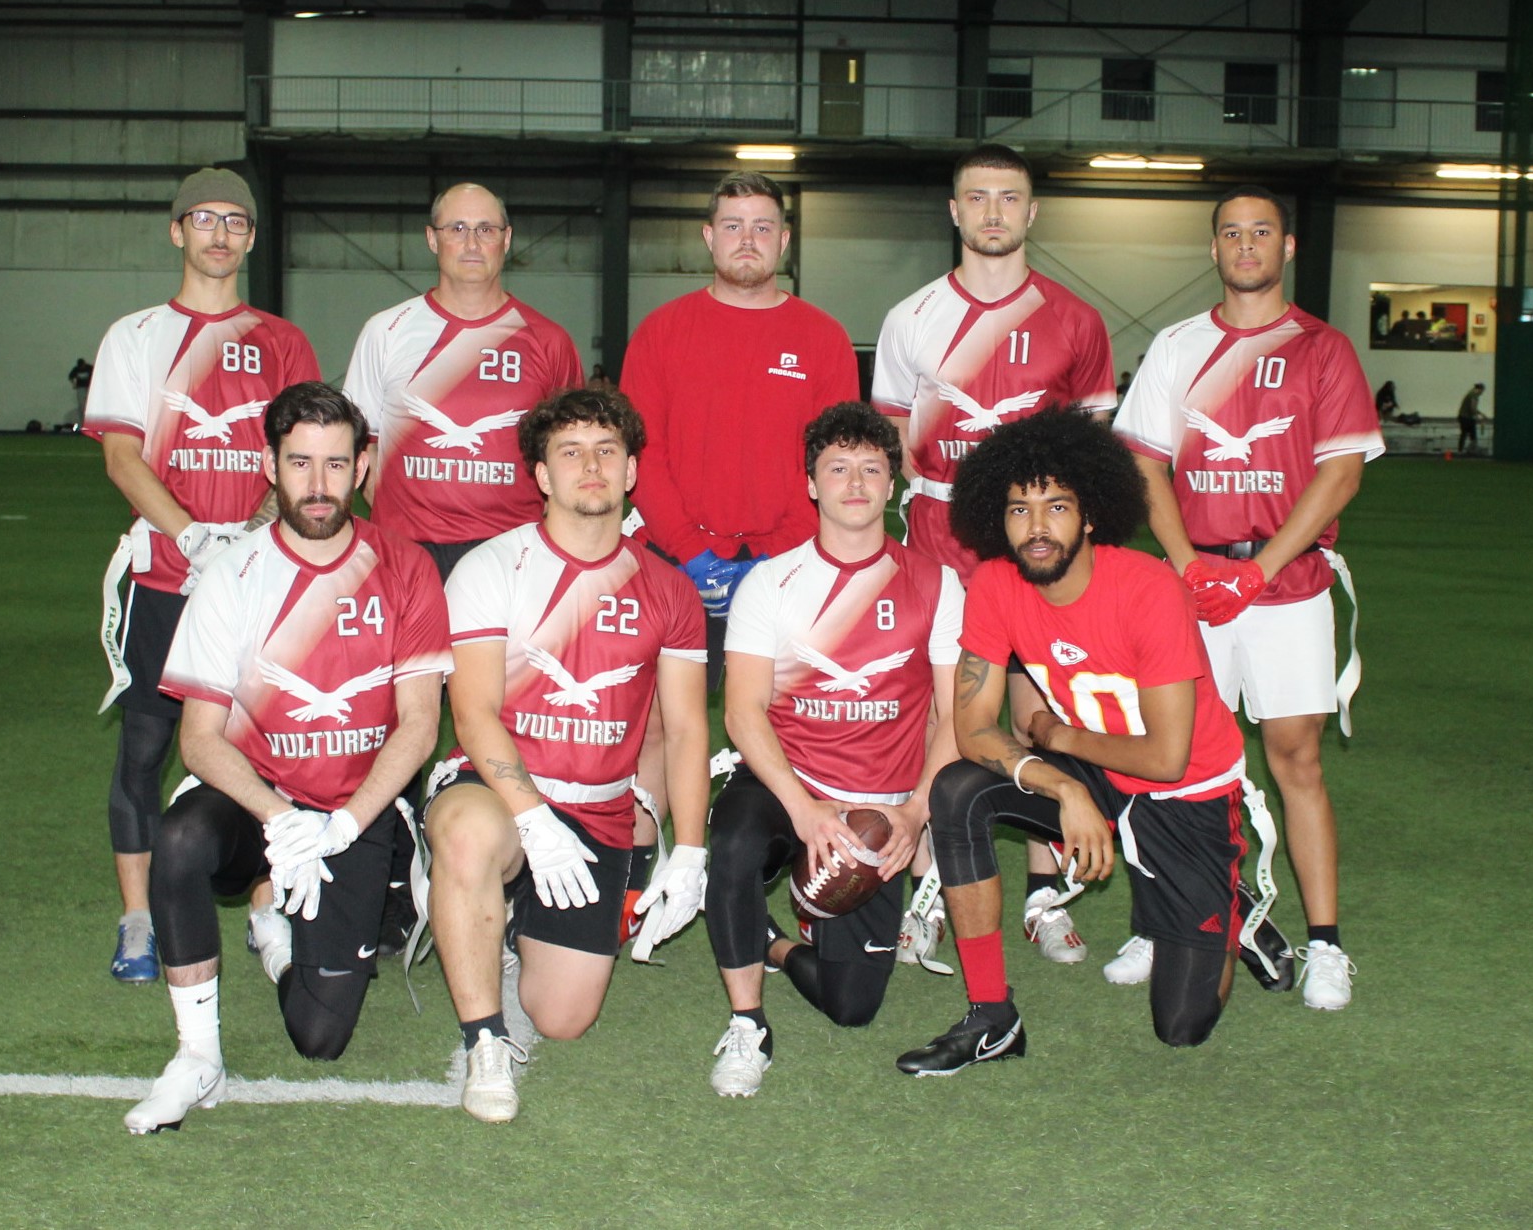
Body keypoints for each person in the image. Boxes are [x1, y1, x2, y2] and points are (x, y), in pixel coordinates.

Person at [123, 382, 450, 1134]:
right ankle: (197, 1057)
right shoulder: (232, 574)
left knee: (319, 1036)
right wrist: (280, 821)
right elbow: (199, 739)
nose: (318, 483)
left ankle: (276, 935)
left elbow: (419, 725)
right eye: (300, 462)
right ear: (270, 465)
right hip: (256, 803)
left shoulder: (406, 568)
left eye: (336, 464)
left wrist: (342, 825)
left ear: (362, 467)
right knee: (181, 839)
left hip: (352, 808)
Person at [896, 409, 1259, 1075]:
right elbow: (972, 728)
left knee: (1183, 1025)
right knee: (958, 791)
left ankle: (1231, 903)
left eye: (1057, 506)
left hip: (1186, 793)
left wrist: (1059, 737)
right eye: (1019, 510)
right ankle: (991, 1017)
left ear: (1090, 514)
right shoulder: (997, 584)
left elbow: (1166, 758)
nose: (1037, 528)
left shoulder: (1148, 588)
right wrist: (1062, 786)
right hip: (1092, 773)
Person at [1114, 185, 1383, 1010]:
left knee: (1295, 758)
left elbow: (1341, 473)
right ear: (1214, 248)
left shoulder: (1323, 348)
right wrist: (1188, 563)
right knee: (1175, 762)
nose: (1246, 245)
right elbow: (1145, 463)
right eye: (1231, 233)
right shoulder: (1178, 344)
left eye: (1261, 231)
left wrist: (1258, 569)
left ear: (1287, 247)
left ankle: (1326, 943)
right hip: (1193, 590)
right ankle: (1162, 923)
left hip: (1286, 586)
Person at [423, 387, 709, 1123]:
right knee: (470, 835)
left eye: (607, 451)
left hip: (599, 809)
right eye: (571, 452)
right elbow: (473, 711)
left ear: (631, 470)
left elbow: (684, 729)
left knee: (562, 1017)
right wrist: (532, 820)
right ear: (542, 475)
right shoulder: (493, 567)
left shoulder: (669, 588)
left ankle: (506, 915)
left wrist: (689, 851)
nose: (591, 466)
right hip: (498, 789)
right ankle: (485, 1041)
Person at [871, 142, 1118, 968]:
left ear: (1032, 211)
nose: (992, 212)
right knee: (942, 715)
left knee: (1041, 711)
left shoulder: (1075, 319)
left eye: (1008, 198)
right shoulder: (910, 318)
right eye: (977, 197)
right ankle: (931, 889)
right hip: (940, 533)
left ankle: (1046, 892)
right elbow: (894, 441)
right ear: (954, 210)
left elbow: (1092, 450)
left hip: (1035, 540)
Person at [84, 167, 322, 984]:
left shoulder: (283, 341)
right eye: (204, 219)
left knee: (264, 747)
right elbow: (123, 457)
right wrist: (191, 536)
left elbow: (300, 455)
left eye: (235, 222)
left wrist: (247, 537)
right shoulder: (136, 336)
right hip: (163, 579)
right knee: (146, 749)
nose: (220, 234)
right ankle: (139, 919)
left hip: (258, 587)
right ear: (176, 230)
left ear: (251, 238)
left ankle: (265, 904)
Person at [342, 182, 583, 956]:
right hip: (407, 560)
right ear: (431, 238)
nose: (472, 243)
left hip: (508, 565)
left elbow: (569, 453)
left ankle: (514, 880)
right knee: (392, 725)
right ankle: (383, 887)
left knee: (510, 721)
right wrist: (396, 533)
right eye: (457, 229)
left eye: (486, 229)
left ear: (507, 239)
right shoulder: (388, 332)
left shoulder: (546, 341)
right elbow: (357, 450)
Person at [705, 402, 962, 1098]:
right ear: (811, 483)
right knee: (733, 844)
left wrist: (914, 813)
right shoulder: (771, 583)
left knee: (852, 1008)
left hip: (881, 808)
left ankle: (773, 941)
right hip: (788, 783)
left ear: (893, 484)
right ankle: (747, 1022)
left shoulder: (936, 582)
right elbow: (742, 712)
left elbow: (956, 714)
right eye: (838, 468)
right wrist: (804, 809)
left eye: (871, 469)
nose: (855, 483)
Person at [620, 170, 858, 667]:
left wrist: (772, 557)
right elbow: (643, 454)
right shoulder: (659, 333)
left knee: (783, 710)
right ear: (709, 237)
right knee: (668, 710)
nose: (747, 240)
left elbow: (833, 462)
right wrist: (691, 552)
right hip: (674, 558)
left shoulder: (825, 338)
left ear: (783, 241)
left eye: (762, 228)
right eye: (733, 226)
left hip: (790, 563)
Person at [1457, 382, 1486, 453]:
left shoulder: (1470, 394)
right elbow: (1473, 409)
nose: (1482, 393)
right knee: (1472, 435)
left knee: (1464, 434)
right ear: (1479, 389)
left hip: (1463, 416)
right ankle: (1470, 450)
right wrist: (1479, 418)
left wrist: (1481, 414)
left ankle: (1461, 450)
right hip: (1467, 417)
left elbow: (1473, 408)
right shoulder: (1474, 396)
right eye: (1482, 391)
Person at [69, 357, 94, 429]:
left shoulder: (89, 368)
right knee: (82, 406)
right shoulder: (76, 369)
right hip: (81, 388)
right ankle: (83, 424)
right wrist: (74, 383)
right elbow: (71, 377)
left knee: (90, 405)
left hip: (89, 387)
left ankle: (91, 424)